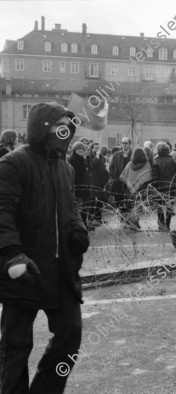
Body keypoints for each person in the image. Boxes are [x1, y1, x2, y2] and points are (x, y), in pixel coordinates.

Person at [0, 102, 89, 394]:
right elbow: (2, 211)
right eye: (60, 126)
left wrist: (77, 230)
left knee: (70, 337)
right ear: (42, 127)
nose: (66, 132)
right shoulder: (14, 163)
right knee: (15, 347)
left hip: (61, 270)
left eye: (69, 127)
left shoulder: (66, 168)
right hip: (24, 269)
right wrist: (12, 253)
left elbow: (70, 207)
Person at [119, 148, 153, 231]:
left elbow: (123, 177)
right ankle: (135, 224)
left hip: (129, 189)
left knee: (131, 206)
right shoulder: (147, 164)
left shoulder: (129, 164)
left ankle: (131, 223)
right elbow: (149, 177)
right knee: (137, 207)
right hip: (142, 189)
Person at [152, 142, 176, 231]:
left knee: (159, 206)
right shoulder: (173, 160)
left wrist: (154, 186)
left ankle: (161, 224)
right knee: (169, 206)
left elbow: (155, 176)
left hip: (160, 187)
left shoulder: (155, 161)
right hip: (171, 186)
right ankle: (167, 225)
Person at [109, 137, 134, 228]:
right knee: (118, 201)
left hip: (129, 182)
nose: (124, 145)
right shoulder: (116, 154)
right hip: (118, 181)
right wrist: (114, 175)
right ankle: (123, 217)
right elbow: (111, 166)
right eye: (122, 143)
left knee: (129, 201)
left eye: (126, 143)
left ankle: (127, 219)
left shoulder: (133, 154)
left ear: (129, 144)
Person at [69, 141, 93, 230]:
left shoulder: (82, 159)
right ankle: (79, 226)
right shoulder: (73, 159)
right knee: (79, 207)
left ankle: (84, 224)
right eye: (79, 149)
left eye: (82, 149)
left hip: (85, 187)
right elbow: (75, 174)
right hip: (78, 187)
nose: (81, 150)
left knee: (85, 207)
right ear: (74, 150)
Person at [88, 142, 110, 227]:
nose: (97, 149)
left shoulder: (102, 157)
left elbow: (103, 167)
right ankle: (90, 219)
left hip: (102, 181)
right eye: (95, 148)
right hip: (94, 181)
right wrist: (96, 157)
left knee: (101, 199)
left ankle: (98, 218)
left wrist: (107, 171)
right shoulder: (90, 156)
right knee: (93, 200)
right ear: (91, 149)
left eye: (98, 148)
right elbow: (92, 165)